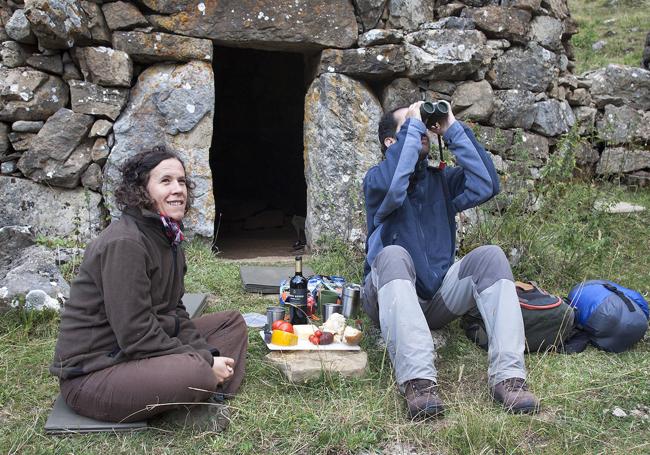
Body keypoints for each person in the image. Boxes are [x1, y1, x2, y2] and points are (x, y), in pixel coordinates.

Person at [362, 101, 539, 419]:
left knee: (490, 257)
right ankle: (419, 384)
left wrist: (452, 126)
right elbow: (393, 185)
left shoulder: (440, 182)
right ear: (391, 142)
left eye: (423, 126)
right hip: (388, 295)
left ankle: (509, 379)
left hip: (435, 300)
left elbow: (486, 183)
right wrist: (415, 125)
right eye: (410, 126)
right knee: (392, 254)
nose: (421, 128)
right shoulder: (377, 181)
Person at [50, 146, 248, 430]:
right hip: (96, 374)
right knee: (197, 370)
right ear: (141, 190)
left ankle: (202, 386)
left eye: (181, 181)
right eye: (165, 181)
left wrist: (209, 354)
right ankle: (198, 383)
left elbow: (174, 310)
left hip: (136, 354)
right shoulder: (125, 243)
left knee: (231, 325)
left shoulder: (168, 237)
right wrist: (202, 361)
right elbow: (136, 334)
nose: (178, 189)